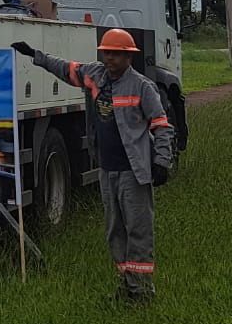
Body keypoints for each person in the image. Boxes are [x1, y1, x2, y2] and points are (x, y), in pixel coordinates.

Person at [12, 29, 174, 301]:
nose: (109, 58)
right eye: (106, 53)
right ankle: (127, 286)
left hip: (133, 172)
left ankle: (142, 291)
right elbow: (66, 69)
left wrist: (162, 161)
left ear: (128, 57)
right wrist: (35, 56)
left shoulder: (142, 87)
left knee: (138, 229)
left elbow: (161, 125)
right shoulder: (94, 75)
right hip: (108, 170)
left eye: (115, 54)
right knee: (115, 231)